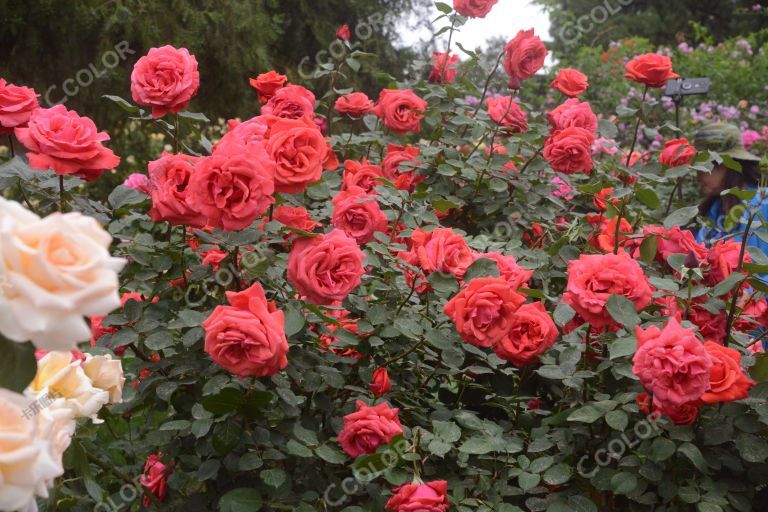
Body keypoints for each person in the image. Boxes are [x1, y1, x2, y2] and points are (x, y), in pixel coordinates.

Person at [694, 122, 766, 256]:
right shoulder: (717, 205)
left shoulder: (761, 204)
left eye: (704, 168)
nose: (698, 177)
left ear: (728, 165)